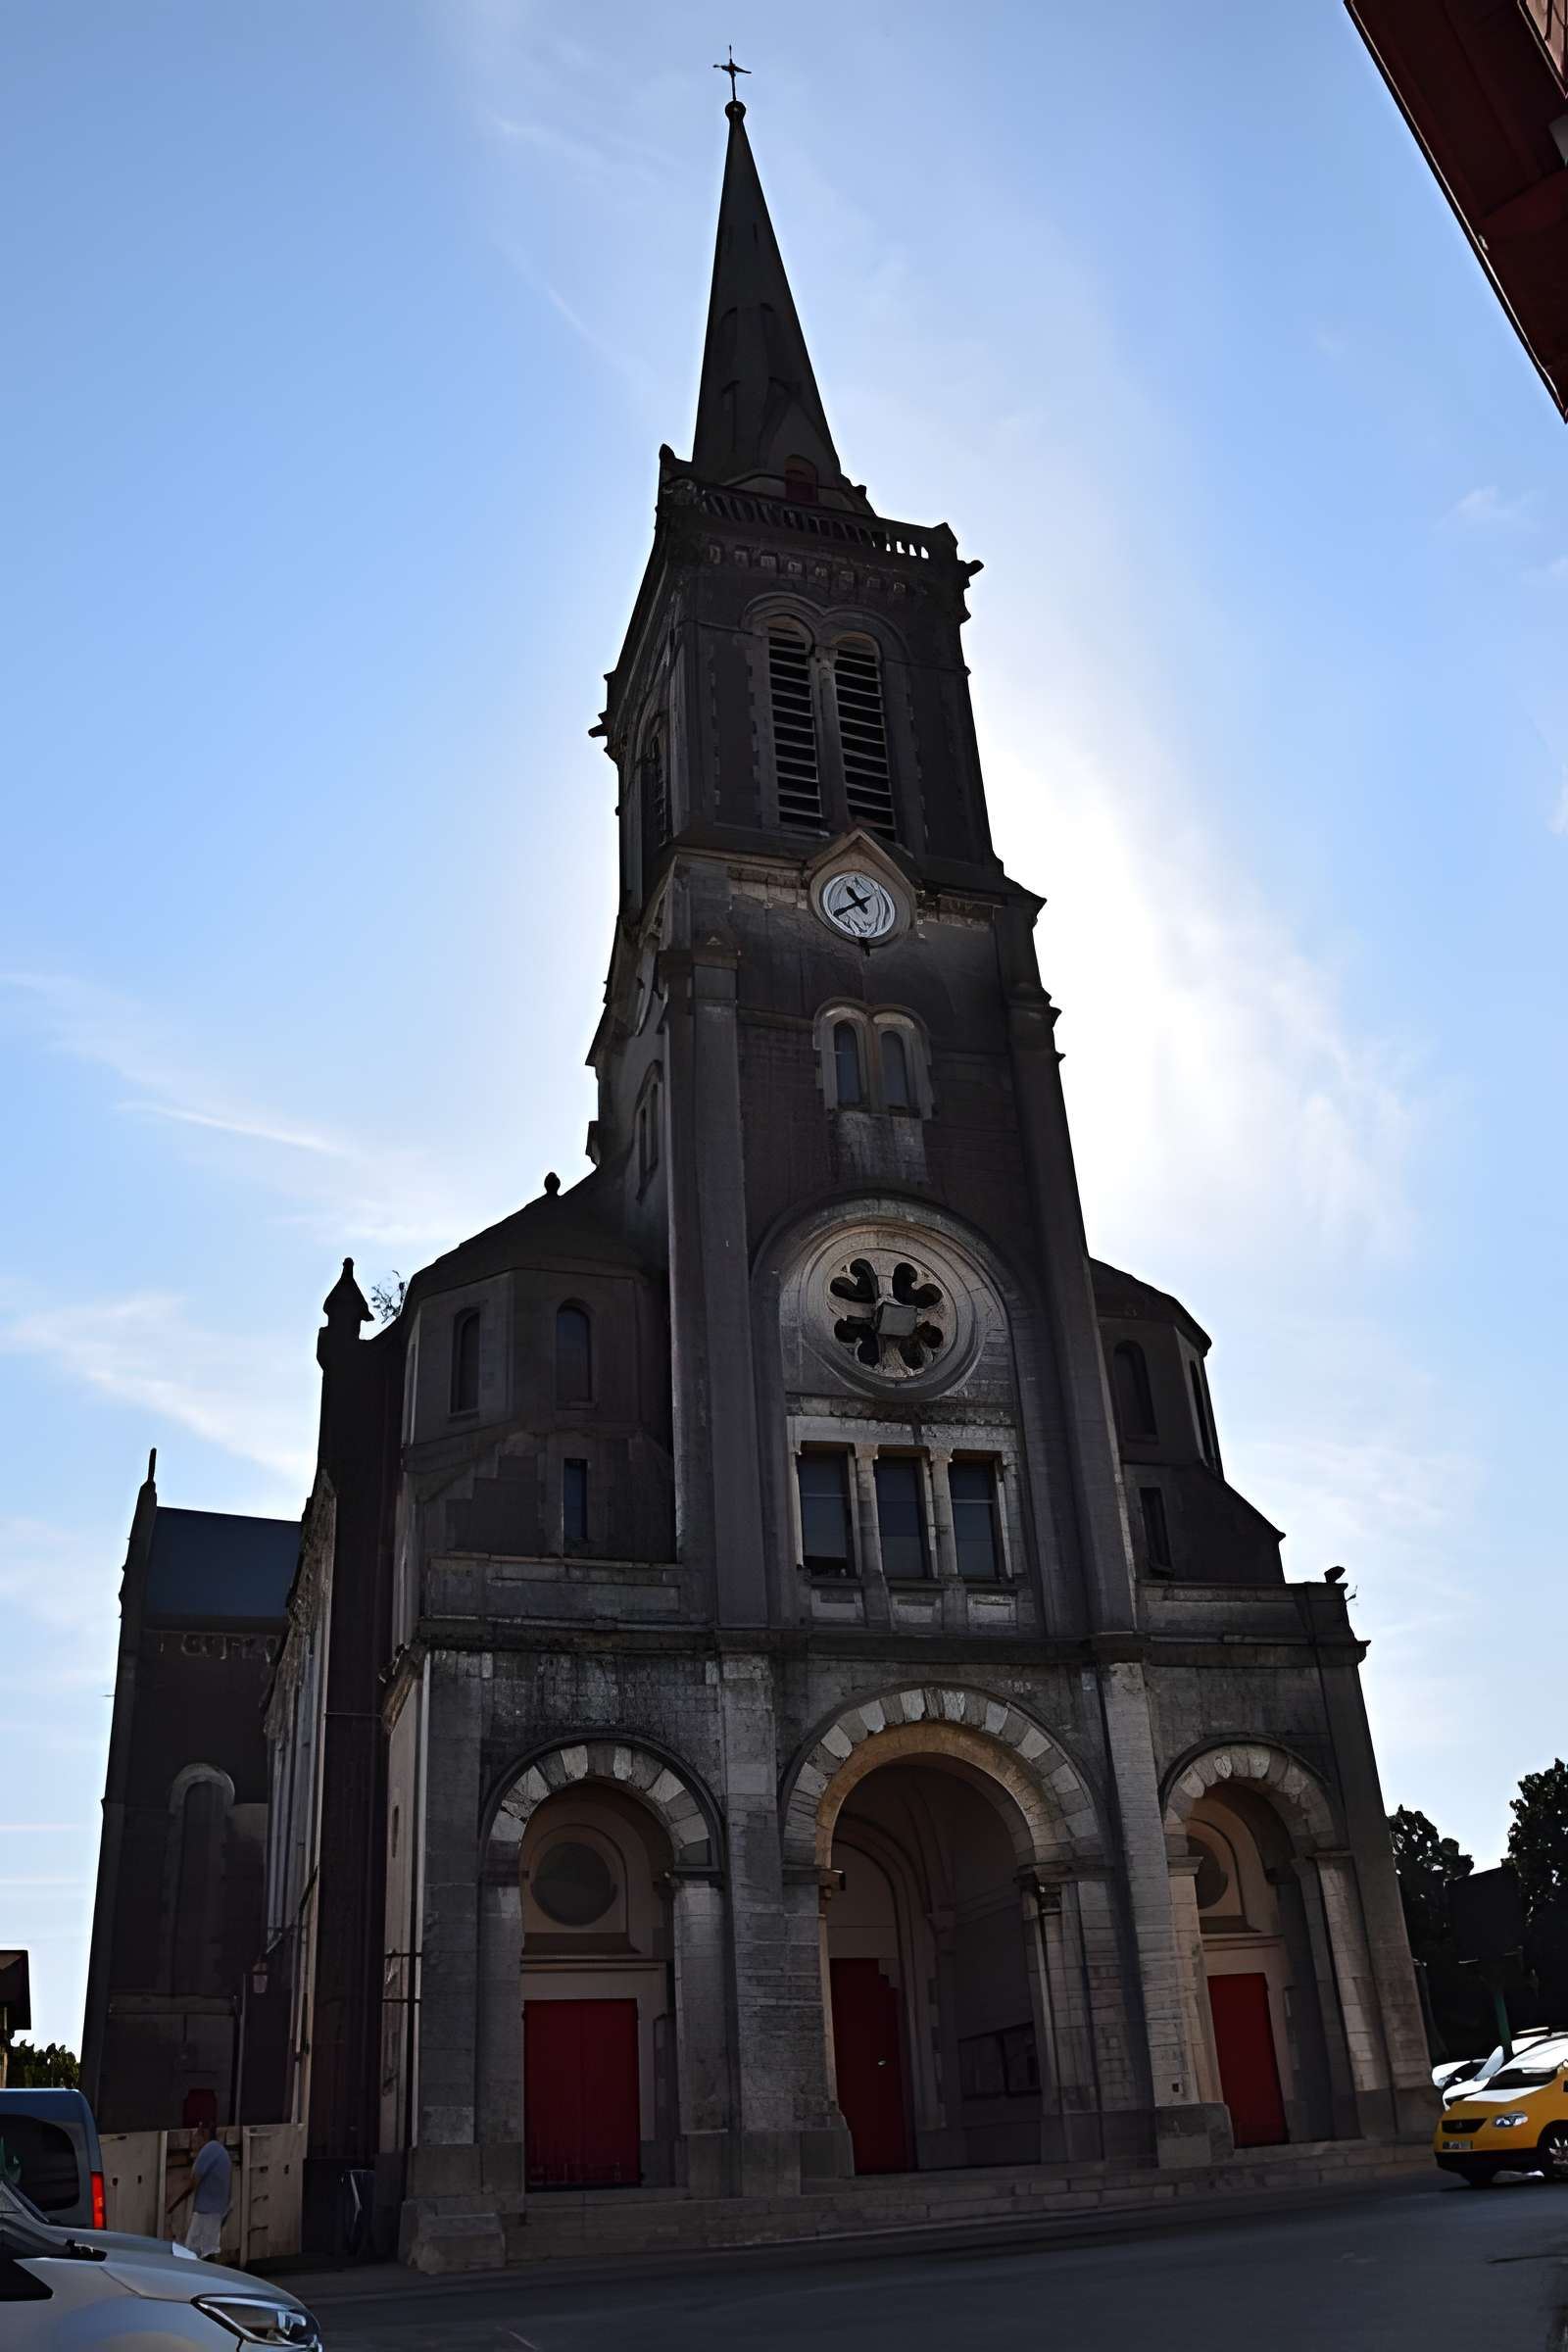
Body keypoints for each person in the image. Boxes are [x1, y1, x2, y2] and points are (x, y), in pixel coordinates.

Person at [166, 2119, 231, 2259]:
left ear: (204, 2134)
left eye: (197, 2134)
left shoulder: (208, 2150)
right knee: (208, 2249)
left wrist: (173, 2206)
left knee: (193, 2252)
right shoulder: (219, 2150)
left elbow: (193, 2183)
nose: (194, 2138)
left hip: (206, 2212)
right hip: (216, 2210)